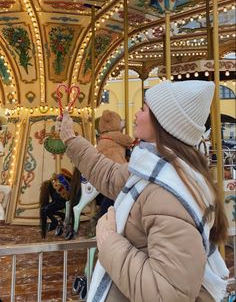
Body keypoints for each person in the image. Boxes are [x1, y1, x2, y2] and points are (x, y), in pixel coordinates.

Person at [59, 80, 229, 302]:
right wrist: (71, 140)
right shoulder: (152, 168)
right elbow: (111, 176)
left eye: (144, 109)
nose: (136, 115)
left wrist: (109, 242)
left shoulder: (167, 193)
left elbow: (166, 294)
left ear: (162, 123)